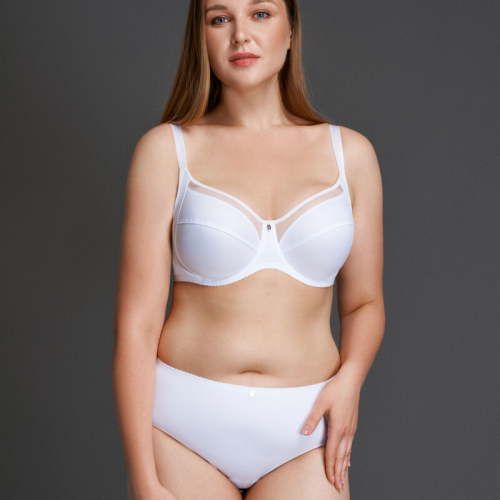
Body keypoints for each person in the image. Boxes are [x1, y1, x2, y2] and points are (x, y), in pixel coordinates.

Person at [112, 0, 385, 498]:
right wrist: (144, 479)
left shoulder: (351, 155)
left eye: (261, 13)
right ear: (202, 38)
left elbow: (364, 302)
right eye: (220, 19)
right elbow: (137, 325)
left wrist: (350, 380)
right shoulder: (167, 150)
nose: (241, 34)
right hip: (181, 433)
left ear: (290, 31)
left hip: (305, 435)